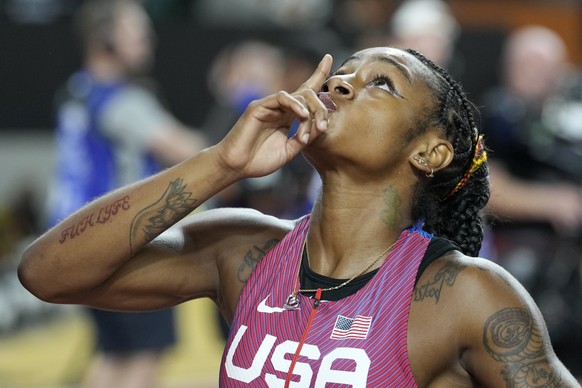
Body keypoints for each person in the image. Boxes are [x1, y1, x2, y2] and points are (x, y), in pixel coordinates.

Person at [20, 46, 579, 386]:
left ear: (428, 152)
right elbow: (45, 273)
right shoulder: (243, 251)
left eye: (380, 84)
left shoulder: (465, 294)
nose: (339, 84)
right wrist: (220, 164)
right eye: (345, 74)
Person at [44, 1, 207, 387]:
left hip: (72, 239)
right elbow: (191, 153)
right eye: (136, 31)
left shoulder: (75, 91)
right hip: (119, 244)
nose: (148, 40)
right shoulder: (122, 101)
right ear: (107, 40)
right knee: (146, 354)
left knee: (116, 354)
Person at [482, 25, 582, 378]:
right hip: (514, 260)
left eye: (545, 66)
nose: (536, 74)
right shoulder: (494, 114)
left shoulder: (568, 115)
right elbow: (487, 188)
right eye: (527, 64)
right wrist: (553, 202)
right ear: (508, 67)